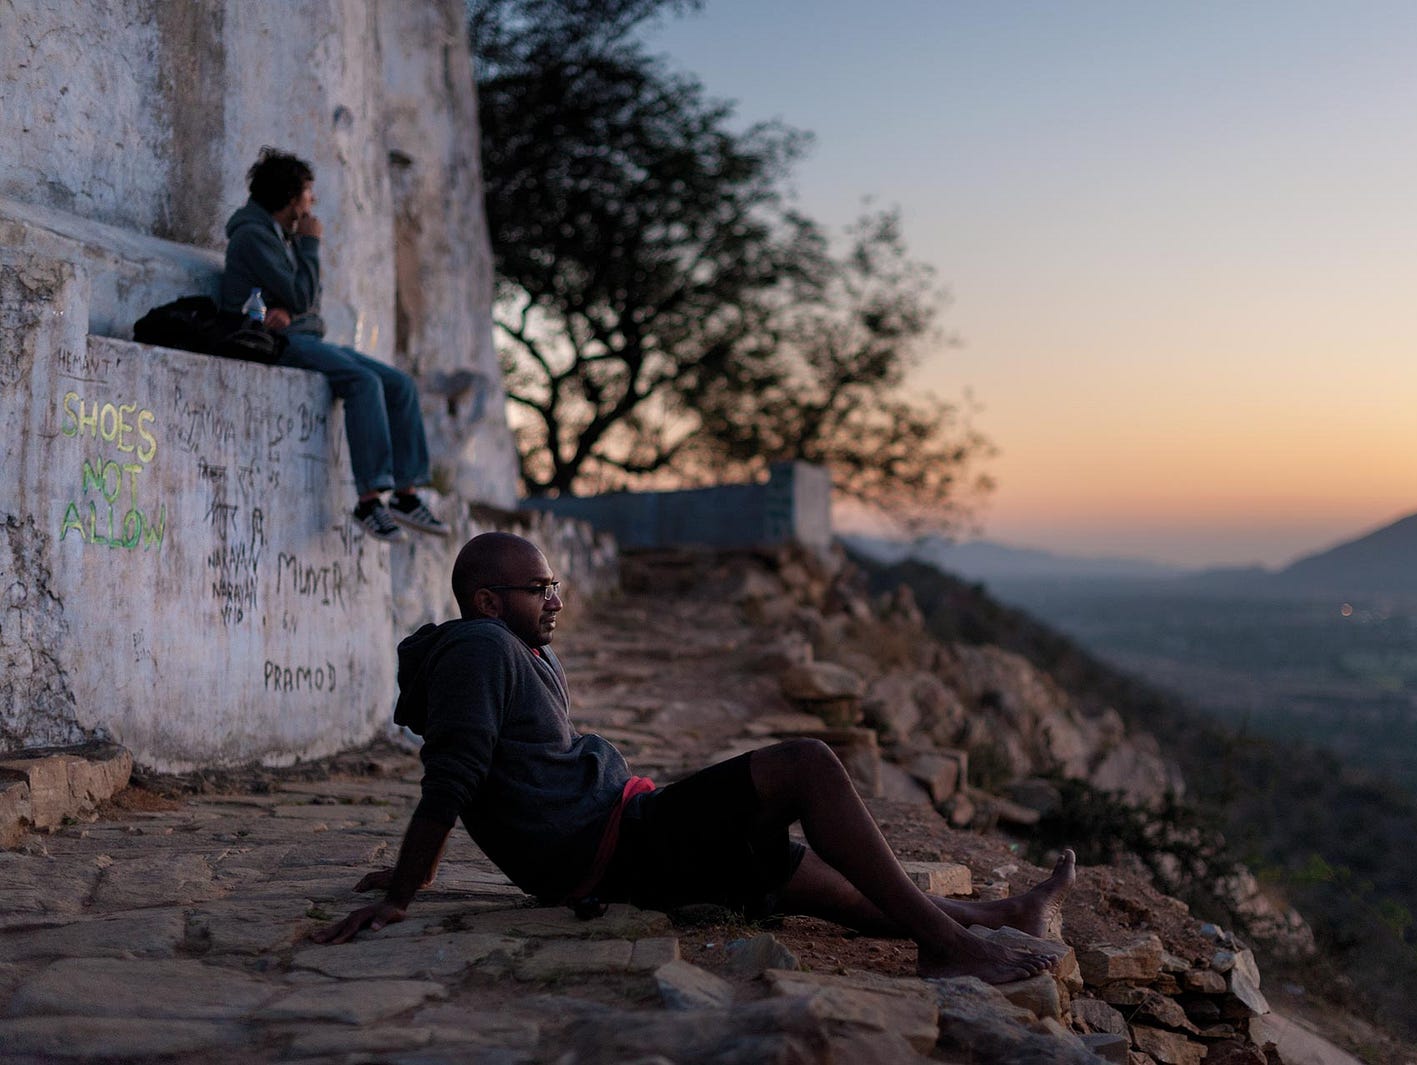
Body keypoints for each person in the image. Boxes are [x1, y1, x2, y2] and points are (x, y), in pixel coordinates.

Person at [312, 532, 1079, 985]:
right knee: (806, 762)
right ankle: (952, 946)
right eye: (538, 588)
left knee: (822, 884)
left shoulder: (518, 649)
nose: (556, 600)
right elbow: (454, 776)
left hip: (632, 833)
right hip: (617, 846)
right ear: (487, 600)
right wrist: (405, 889)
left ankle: (999, 915)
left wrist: (418, 875)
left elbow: (489, 774)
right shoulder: (479, 648)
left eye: (555, 585)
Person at [222, 148, 447, 542]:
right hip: (272, 343)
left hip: (299, 334)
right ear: (291, 198)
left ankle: (406, 496)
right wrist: (310, 247)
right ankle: (369, 501)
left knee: (399, 384)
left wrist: (290, 308)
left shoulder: (276, 236)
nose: (313, 201)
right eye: (308, 193)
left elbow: (303, 303)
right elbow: (302, 296)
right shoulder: (253, 236)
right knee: (363, 382)